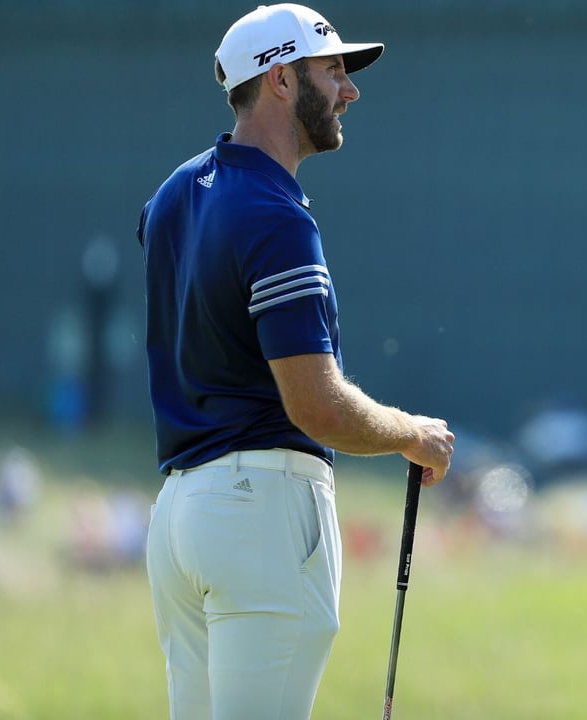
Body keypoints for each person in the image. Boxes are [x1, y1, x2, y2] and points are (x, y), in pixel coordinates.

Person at [137, 5, 456, 718]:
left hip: (180, 515)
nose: (350, 90)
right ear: (281, 79)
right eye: (334, 69)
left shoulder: (170, 197)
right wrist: (411, 433)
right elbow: (314, 406)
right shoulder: (277, 215)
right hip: (260, 514)